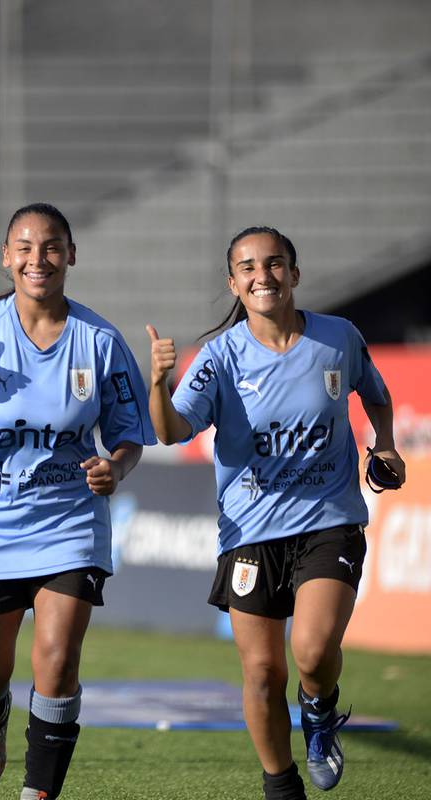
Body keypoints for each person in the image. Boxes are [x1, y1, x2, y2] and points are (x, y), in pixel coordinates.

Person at [0, 203, 154, 800]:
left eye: (51, 247)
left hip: (70, 522)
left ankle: (38, 792)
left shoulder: (100, 341)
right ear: (6, 257)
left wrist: (114, 467)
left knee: (57, 659)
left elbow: (128, 434)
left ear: (70, 254)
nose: (37, 259)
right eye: (24, 247)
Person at [145, 226, 405, 800]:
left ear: (295, 271)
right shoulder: (217, 359)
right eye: (249, 268)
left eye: (275, 263)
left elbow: (376, 392)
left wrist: (383, 443)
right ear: (234, 282)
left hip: (329, 519)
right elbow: (171, 431)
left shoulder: (339, 337)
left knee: (312, 652)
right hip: (250, 533)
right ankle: (281, 785)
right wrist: (159, 385)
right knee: (263, 675)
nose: (263, 276)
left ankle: (319, 710)